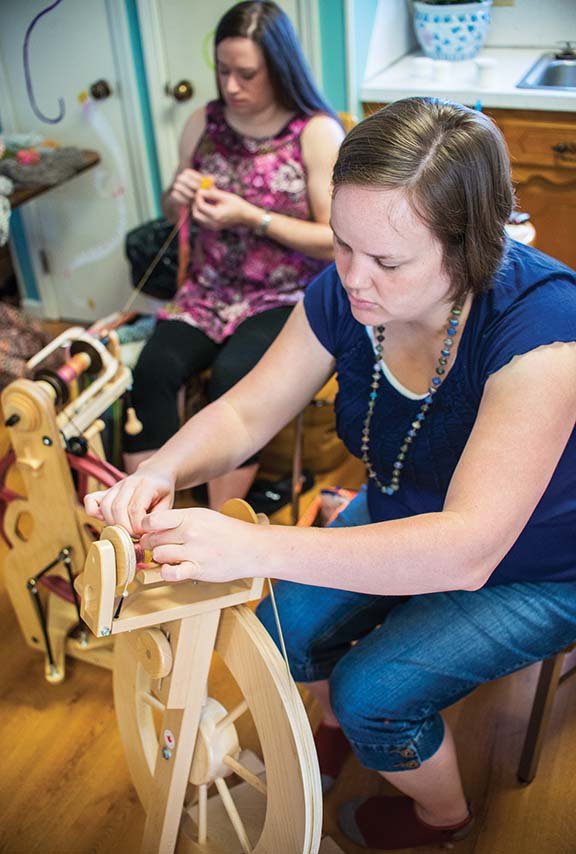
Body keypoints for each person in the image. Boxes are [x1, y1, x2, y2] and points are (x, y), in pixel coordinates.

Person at [86, 97, 576, 850]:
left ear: (472, 246)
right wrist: (164, 468)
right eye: (342, 244)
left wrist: (256, 546)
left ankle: (443, 818)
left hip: (535, 565)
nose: (351, 278)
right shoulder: (349, 291)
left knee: (373, 691)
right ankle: (340, 724)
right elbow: (248, 414)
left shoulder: (545, 330)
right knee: (278, 628)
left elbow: (469, 548)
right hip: (402, 506)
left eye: (386, 261)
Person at [124, 0, 344, 511]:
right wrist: (176, 195)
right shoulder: (205, 122)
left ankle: (220, 522)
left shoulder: (315, 132)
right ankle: (146, 524)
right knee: (154, 371)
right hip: (208, 290)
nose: (231, 87)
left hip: (286, 297)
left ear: (280, 70)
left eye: (247, 74)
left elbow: (336, 239)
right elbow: (171, 209)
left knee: (233, 379)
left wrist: (252, 217)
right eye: (223, 71)